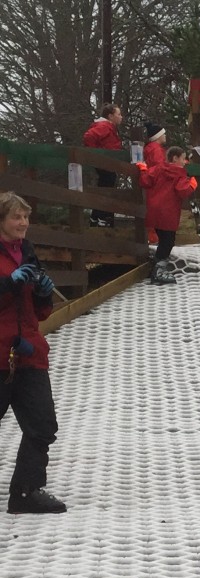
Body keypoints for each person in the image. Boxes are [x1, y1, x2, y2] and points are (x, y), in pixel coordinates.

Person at [0, 193, 66, 515]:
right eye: (16, 217)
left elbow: (38, 313)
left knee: (42, 425)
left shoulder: (27, 253)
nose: (23, 223)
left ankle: (25, 492)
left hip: (28, 353)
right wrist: (7, 284)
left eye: (26, 217)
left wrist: (43, 295)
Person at [137, 147, 197, 286]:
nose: (185, 162)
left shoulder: (158, 168)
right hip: (168, 212)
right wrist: (192, 184)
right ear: (175, 158)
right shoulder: (179, 173)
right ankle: (159, 271)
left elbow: (145, 181)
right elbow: (182, 191)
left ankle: (156, 267)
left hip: (154, 209)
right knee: (168, 241)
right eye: (183, 158)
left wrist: (143, 169)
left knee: (162, 239)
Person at [83, 103, 123, 227]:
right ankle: (102, 217)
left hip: (107, 161)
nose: (121, 117)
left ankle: (96, 217)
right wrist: (96, 154)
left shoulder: (108, 127)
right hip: (104, 162)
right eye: (118, 114)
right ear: (110, 116)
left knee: (104, 185)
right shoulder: (104, 126)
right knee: (107, 186)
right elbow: (89, 136)